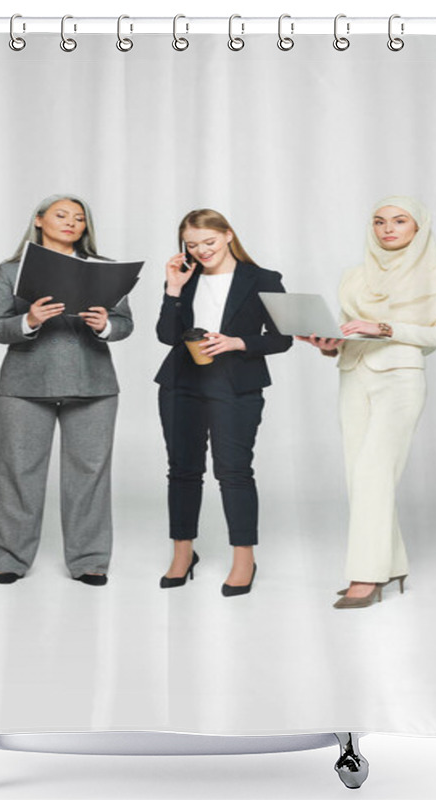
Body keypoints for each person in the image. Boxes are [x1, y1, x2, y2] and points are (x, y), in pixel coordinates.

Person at [299, 196, 436, 609]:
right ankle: (392, 564)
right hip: (353, 375)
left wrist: (385, 326)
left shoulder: (435, 274)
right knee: (360, 477)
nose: (387, 229)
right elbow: (347, 332)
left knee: (373, 472)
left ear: (418, 227)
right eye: (378, 221)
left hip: (399, 380)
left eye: (399, 221)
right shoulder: (355, 276)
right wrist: (326, 344)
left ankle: (365, 576)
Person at [0, 194, 133, 585]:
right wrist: (29, 320)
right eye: (61, 215)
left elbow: (124, 324)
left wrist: (104, 324)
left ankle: (89, 561)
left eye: (79, 218)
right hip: (23, 385)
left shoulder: (104, 270)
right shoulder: (10, 270)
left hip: (93, 383)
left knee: (90, 475)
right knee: (19, 473)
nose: (71, 223)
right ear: (38, 220)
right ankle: (8, 558)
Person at [155, 208, 292, 596]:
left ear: (229, 235)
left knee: (234, 471)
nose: (201, 251)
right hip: (181, 382)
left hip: (236, 384)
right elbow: (167, 336)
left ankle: (243, 558)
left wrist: (237, 342)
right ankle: (183, 553)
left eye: (209, 242)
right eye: (192, 245)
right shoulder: (185, 277)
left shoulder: (263, 279)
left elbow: (282, 338)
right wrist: (173, 289)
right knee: (182, 469)